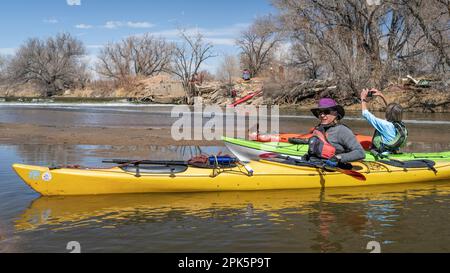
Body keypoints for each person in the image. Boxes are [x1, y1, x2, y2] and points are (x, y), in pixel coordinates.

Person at [307, 98, 366, 166]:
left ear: (335, 113)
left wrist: (338, 158)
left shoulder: (342, 130)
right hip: (313, 163)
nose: (322, 115)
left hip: (332, 168)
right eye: (320, 112)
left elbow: (360, 153)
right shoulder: (319, 128)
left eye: (326, 111)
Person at [361, 88, 408, 156]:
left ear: (387, 113)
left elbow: (365, 114)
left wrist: (363, 99)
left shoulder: (384, 125)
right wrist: (381, 96)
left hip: (383, 154)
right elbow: (393, 110)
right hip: (393, 152)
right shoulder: (399, 123)